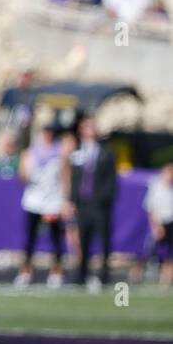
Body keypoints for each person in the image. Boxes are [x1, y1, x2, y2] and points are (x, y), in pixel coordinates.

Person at [16, 122, 71, 288]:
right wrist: (24, 169)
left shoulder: (59, 152)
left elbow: (65, 177)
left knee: (55, 238)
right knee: (30, 238)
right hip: (34, 201)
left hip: (52, 202)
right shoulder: (30, 153)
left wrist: (65, 201)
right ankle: (26, 271)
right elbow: (22, 178)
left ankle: (56, 271)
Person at [66, 116, 117, 289]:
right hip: (83, 204)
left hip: (99, 204)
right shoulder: (76, 151)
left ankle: (103, 274)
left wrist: (103, 199)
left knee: (103, 240)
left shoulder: (106, 153)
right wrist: (72, 201)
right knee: (82, 240)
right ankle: (81, 274)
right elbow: (73, 179)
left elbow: (111, 180)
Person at [131, 164, 173, 287]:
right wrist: (156, 226)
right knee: (147, 253)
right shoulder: (156, 187)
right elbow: (150, 208)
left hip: (170, 223)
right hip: (159, 223)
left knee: (169, 255)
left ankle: (165, 281)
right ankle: (136, 275)